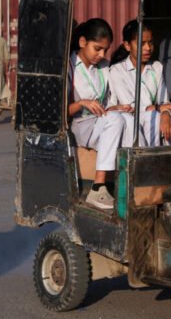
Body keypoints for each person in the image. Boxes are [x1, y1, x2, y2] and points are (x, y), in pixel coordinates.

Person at [68, 18, 127, 210]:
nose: (101, 54)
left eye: (105, 50)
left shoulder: (104, 67)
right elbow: (62, 112)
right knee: (115, 120)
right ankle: (98, 186)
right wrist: (81, 103)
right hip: (80, 125)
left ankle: (128, 183)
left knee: (127, 118)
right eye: (97, 48)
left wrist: (116, 107)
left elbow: (109, 102)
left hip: (101, 122)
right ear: (83, 42)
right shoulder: (69, 67)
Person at [108, 20, 171, 146]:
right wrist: (157, 109)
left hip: (153, 114)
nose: (148, 48)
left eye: (150, 42)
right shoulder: (117, 70)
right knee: (153, 117)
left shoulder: (157, 67)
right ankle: (152, 158)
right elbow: (130, 106)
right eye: (142, 43)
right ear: (127, 45)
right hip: (129, 118)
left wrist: (165, 112)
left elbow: (164, 101)